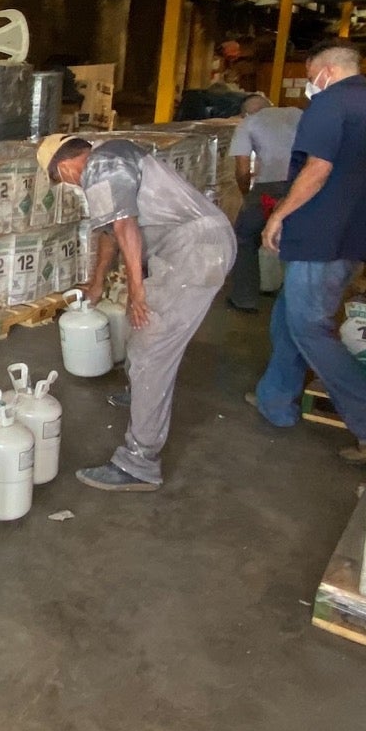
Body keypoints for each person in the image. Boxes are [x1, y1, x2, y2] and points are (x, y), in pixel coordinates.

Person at [42, 135, 235, 493]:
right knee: (144, 334)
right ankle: (145, 394)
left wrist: (137, 290)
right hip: (189, 248)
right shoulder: (109, 162)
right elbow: (110, 233)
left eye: (60, 179)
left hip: (194, 251)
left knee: (152, 345)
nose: (67, 185)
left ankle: (140, 462)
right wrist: (97, 282)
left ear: (65, 166)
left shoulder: (101, 164)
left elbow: (126, 227)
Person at [251, 43, 366, 465]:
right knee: (289, 316)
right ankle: (276, 400)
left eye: (309, 75)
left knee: (310, 327)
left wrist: (277, 216)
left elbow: (317, 170)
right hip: (359, 233)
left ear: (327, 70)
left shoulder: (331, 104)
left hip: (324, 235)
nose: (308, 85)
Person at [227, 92, 304, 312]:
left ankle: (244, 299)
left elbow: (242, 169)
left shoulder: (248, 123)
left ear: (245, 113)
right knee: (297, 241)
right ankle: (294, 302)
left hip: (268, 188)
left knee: (245, 236)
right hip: (304, 184)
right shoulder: (298, 114)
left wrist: (246, 196)